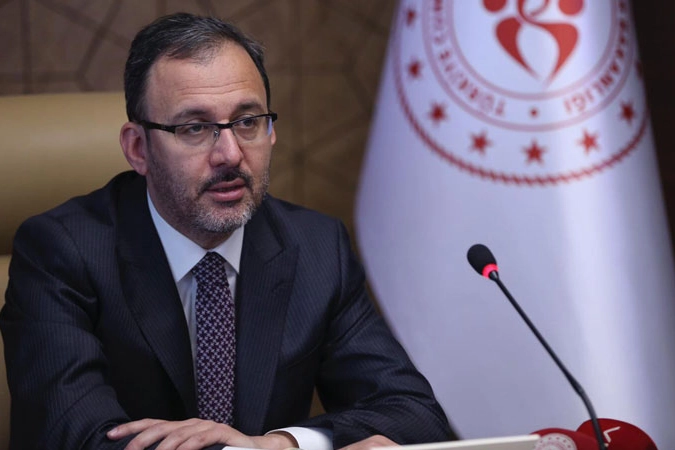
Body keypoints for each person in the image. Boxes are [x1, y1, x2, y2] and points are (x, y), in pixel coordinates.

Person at [0, 13, 454, 450]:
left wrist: (283, 443)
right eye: (195, 128)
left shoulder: (316, 247)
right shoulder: (61, 252)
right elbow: (73, 437)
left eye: (247, 122)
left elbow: (415, 415)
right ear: (138, 148)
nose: (231, 154)